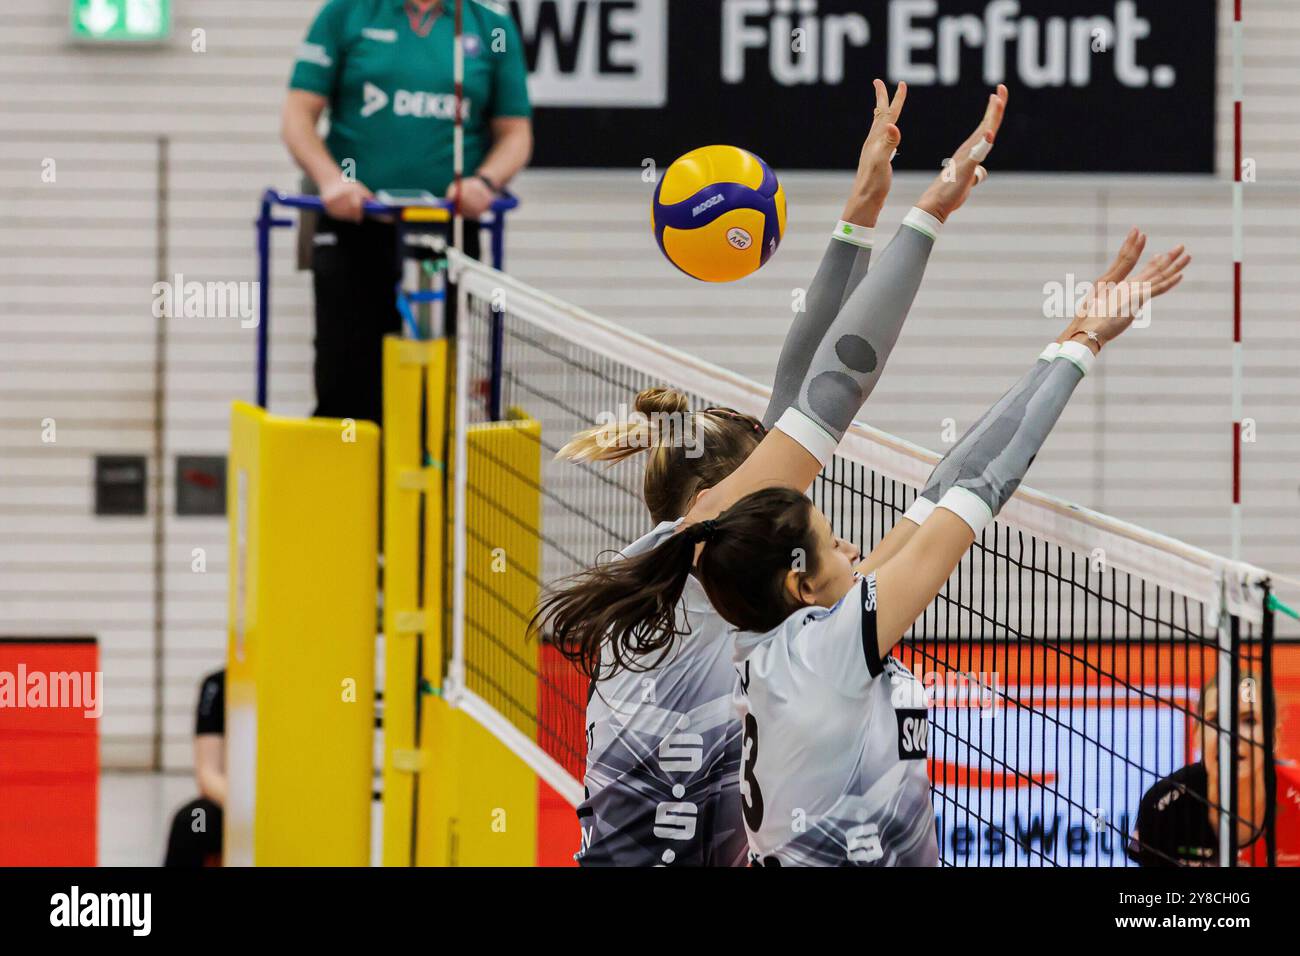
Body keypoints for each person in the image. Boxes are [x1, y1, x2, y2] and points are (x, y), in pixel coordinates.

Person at [538, 220, 1190, 864]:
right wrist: (1081, 345)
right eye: (831, 542)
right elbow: (971, 486)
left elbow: (945, 486)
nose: (852, 545)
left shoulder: (772, 623)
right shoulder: (826, 649)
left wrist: (1068, 339)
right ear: (797, 580)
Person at [556, 81, 1010, 865]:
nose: (786, 493)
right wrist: (927, 215)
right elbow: (832, 390)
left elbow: (797, 392)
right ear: (709, 501)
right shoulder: (703, 555)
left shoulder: (681, 559)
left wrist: (860, 211)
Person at [281, 0, 533, 424]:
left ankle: (425, 486)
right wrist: (330, 179)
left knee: (431, 392)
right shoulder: (345, 15)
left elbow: (516, 132)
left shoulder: (490, 28)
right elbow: (297, 116)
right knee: (344, 386)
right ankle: (348, 486)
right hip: (354, 233)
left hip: (444, 237)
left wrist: (485, 182)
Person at [1129, 669, 1298, 866]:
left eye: (1249, 721)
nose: (1232, 736)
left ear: (1272, 738)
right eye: (1216, 720)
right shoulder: (1161, 804)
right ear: (1197, 733)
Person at [163, 669, 226, 867]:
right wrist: (245, 805)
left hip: (293, 802)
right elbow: (208, 773)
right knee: (193, 821)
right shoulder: (217, 685)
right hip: (232, 800)